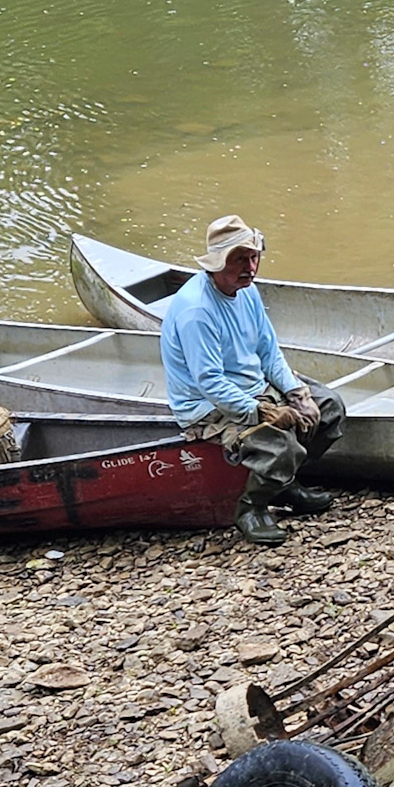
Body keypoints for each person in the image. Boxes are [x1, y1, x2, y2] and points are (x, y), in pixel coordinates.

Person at [160, 216, 346, 545]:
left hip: (251, 384)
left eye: (254, 257)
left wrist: (295, 392)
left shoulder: (248, 292)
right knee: (280, 446)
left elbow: (268, 351)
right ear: (219, 263)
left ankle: (285, 484)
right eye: (240, 259)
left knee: (328, 409)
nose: (251, 267)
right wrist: (261, 412)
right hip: (208, 405)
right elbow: (210, 383)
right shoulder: (197, 311)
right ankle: (251, 507)